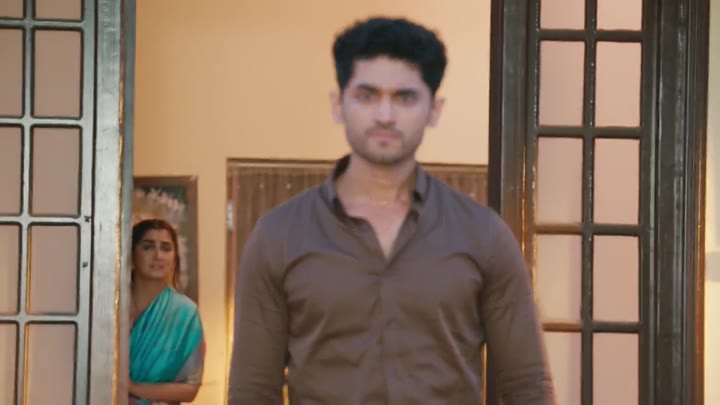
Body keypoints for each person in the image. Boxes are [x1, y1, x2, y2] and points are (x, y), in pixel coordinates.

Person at [228, 16, 554, 404]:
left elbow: (527, 385)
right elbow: (252, 391)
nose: (385, 115)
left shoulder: (484, 235)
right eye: (366, 95)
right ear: (338, 104)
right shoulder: (278, 237)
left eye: (405, 97)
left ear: (434, 110)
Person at [129, 219, 205, 405]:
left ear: (174, 259)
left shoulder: (185, 314)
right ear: (131, 255)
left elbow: (189, 389)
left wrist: (131, 388)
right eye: (148, 247)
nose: (158, 256)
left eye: (166, 249)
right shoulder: (109, 307)